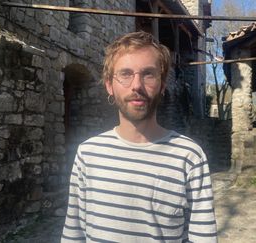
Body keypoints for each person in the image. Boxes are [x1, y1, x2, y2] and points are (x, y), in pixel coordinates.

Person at [62, 31, 217, 242]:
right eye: (125, 74)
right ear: (109, 85)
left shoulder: (189, 157)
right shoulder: (87, 154)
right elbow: (73, 234)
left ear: (162, 85)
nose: (136, 85)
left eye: (148, 74)